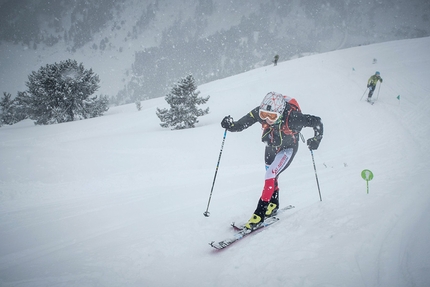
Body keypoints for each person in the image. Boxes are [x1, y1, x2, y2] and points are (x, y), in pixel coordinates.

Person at [220, 92, 323, 230]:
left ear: (280, 113)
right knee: (271, 173)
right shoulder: (260, 112)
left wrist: (316, 140)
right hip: (271, 146)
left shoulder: (294, 118)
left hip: (288, 148)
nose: (267, 119)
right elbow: (241, 125)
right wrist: (230, 125)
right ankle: (273, 203)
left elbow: (317, 122)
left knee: (270, 175)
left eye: (272, 117)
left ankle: (259, 214)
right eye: (264, 115)